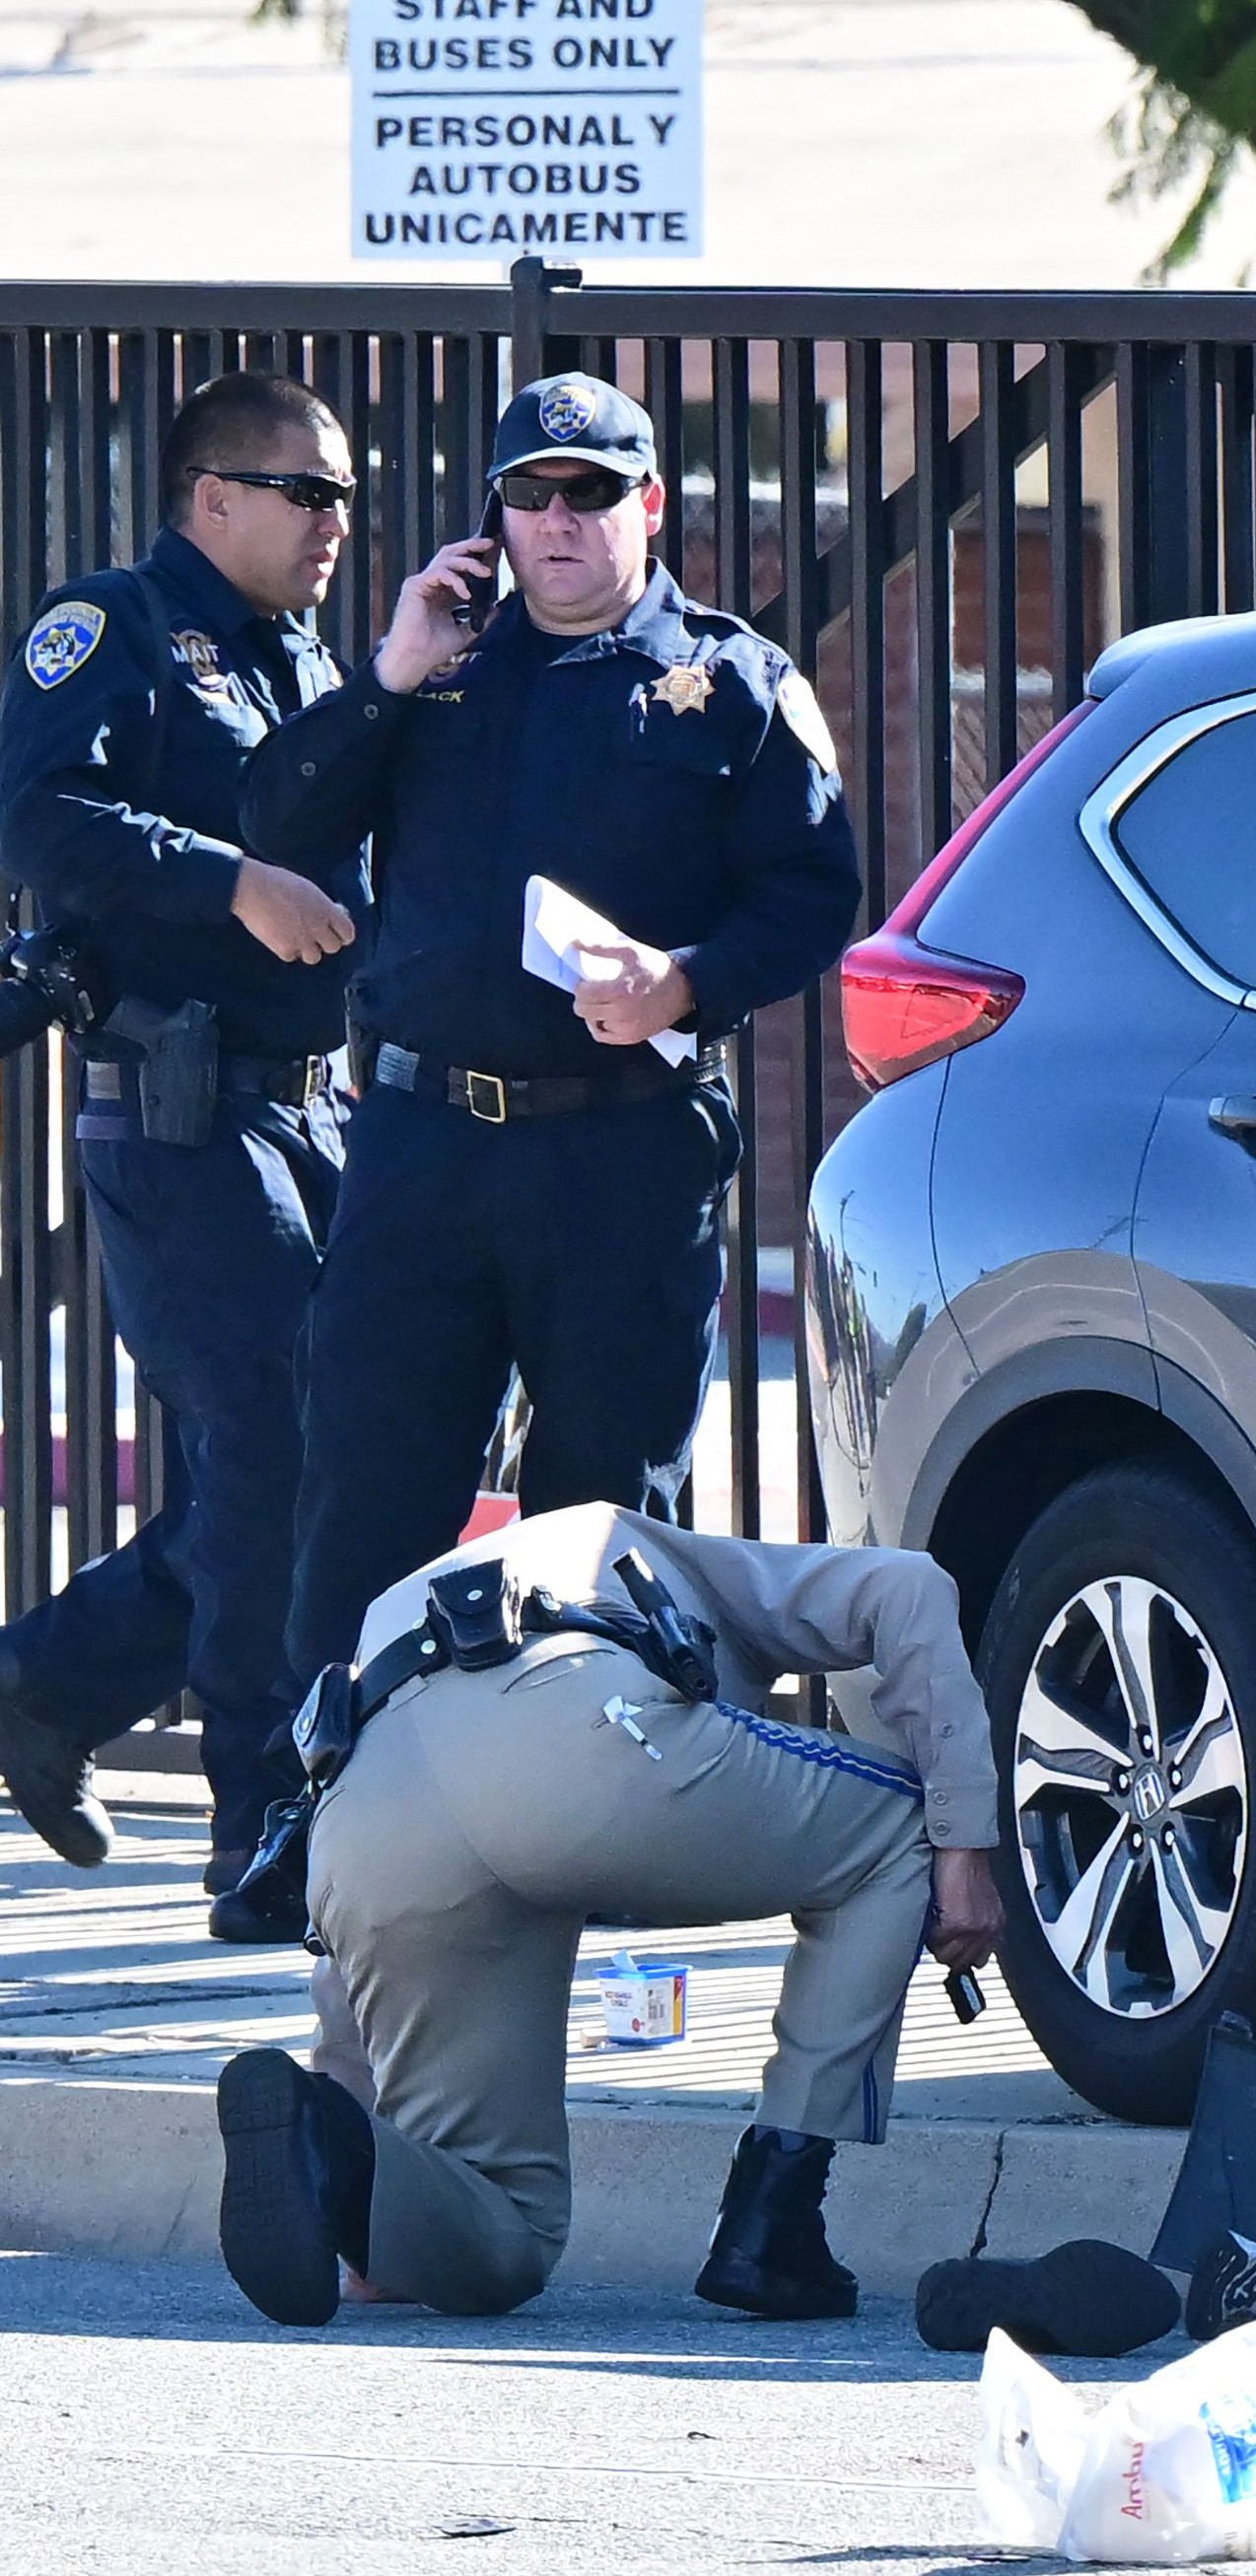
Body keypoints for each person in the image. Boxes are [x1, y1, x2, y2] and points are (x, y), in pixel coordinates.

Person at [229, 372, 860, 1942]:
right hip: (427, 1147)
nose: (557, 522)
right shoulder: (435, 670)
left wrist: (690, 980)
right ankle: (312, 1837)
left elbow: (814, 890)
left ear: (653, 505)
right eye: (530, 494)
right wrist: (383, 672)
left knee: (602, 1514)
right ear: (495, 514)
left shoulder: (729, 681)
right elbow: (278, 820)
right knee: (365, 1499)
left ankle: (589, 1837)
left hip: (619, 1154)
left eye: (590, 491)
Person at [209, 1504, 1002, 2323]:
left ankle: (336, 2160)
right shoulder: (673, 1556)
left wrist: (368, 2226)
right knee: (908, 1824)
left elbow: (352, 1974)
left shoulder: (409, 1605)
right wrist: (965, 1843)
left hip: (362, 1816)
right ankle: (774, 2222)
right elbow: (909, 1585)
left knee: (506, 2232)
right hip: (571, 1720)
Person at [0, 373, 370, 1903]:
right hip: (178, 1108)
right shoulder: (116, 629)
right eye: (306, 490)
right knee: (276, 1440)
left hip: (318, 1105)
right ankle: (260, 1820)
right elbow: (32, 814)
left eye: (345, 492)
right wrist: (225, 880)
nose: (334, 520)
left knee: (320, 1450)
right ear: (210, 493)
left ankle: (50, 1682)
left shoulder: (312, 657)